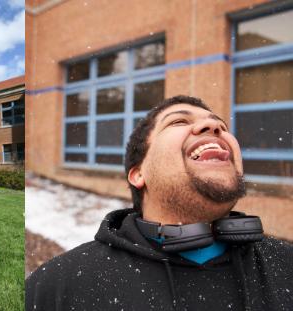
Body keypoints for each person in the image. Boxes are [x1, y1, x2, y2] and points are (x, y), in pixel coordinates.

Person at [25, 95, 293, 310]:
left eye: (221, 125)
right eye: (178, 122)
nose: (215, 128)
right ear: (138, 173)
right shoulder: (58, 285)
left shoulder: (286, 266)